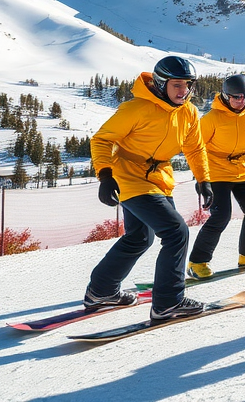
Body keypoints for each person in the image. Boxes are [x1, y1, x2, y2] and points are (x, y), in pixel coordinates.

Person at [84, 56, 212, 322]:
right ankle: (168, 303)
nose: (183, 91)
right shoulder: (136, 108)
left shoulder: (188, 111)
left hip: (159, 177)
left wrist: (204, 180)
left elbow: (195, 148)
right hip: (129, 175)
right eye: (177, 85)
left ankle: (101, 292)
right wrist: (105, 175)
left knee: (139, 237)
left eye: (188, 85)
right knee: (176, 232)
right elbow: (102, 139)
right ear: (160, 83)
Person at [187, 74, 245, 280]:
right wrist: (201, 178)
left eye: (244, 96)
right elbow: (195, 148)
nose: (241, 101)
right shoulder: (211, 119)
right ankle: (197, 262)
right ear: (225, 96)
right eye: (236, 97)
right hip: (216, 171)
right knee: (221, 216)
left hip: (242, 168)